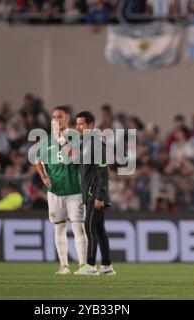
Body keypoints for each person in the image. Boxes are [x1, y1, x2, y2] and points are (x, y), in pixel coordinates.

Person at [35, 106, 87, 275]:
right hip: (55, 191)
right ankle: (64, 265)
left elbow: (75, 157)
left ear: (67, 119)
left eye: (59, 117)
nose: (56, 120)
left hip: (74, 190)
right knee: (59, 227)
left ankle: (83, 265)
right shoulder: (47, 140)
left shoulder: (75, 137)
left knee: (78, 227)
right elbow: (37, 159)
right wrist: (43, 176)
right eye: (54, 117)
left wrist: (61, 139)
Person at [74, 111, 115, 276]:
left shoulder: (96, 144)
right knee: (99, 229)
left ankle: (90, 265)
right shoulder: (86, 143)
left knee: (89, 227)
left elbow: (103, 173)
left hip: (95, 194)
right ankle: (106, 266)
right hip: (90, 193)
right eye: (76, 124)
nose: (77, 127)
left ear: (91, 125)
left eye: (81, 124)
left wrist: (100, 196)